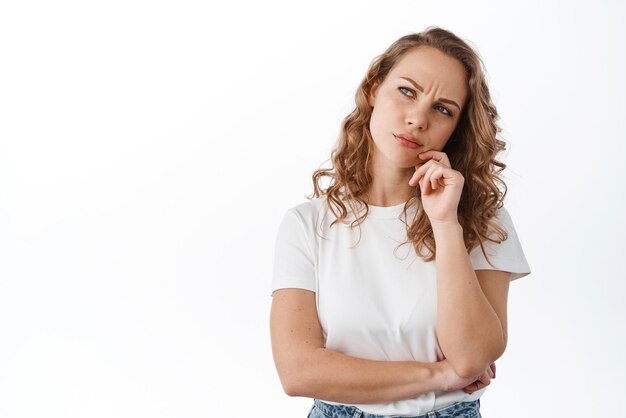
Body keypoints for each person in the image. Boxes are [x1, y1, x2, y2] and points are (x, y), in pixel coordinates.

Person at [269, 26, 531, 418]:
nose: (417, 119)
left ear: (455, 128)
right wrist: (439, 375)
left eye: (443, 109)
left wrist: (445, 224)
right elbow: (298, 371)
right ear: (375, 89)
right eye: (407, 91)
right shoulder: (307, 224)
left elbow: (473, 355)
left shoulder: (482, 220)